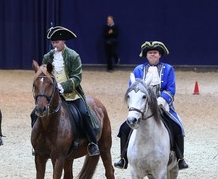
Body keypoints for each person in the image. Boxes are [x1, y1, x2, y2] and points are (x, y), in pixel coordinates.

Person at [114, 41, 189, 169]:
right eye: (150, 53)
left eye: (155, 53)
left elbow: (171, 89)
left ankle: (180, 158)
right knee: (124, 128)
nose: (152, 55)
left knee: (177, 127)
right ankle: (123, 158)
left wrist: (161, 100)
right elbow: (133, 89)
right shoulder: (138, 70)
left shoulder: (168, 69)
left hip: (163, 106)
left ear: (160, 55)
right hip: (143, 107)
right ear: (146, 55)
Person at [35, 25, 100, 156]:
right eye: (53, 42)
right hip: (52, 96)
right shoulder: (47, 57)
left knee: (84, 113)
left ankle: (92, 143)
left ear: (64, 41)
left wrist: (63, 86)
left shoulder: (73, 56)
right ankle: (37, 143)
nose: (55, 45)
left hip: (71, 94)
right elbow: (43, 74)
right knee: (35, 113)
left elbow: (77, 78)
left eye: (57, 42)